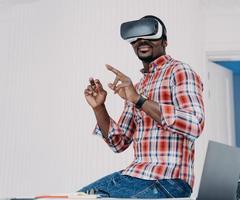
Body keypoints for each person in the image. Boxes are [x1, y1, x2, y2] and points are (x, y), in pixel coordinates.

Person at [81, 15, 205, 198]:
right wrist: (99, 107)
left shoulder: (180, 72)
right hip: (133, 175)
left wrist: (139, 100)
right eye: (135, 38)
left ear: (165, 41)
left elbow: (194, 125)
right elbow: (118, 142)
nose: (141, 41)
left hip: (168, 179)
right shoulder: (137, 87)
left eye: (149, 35)